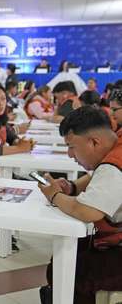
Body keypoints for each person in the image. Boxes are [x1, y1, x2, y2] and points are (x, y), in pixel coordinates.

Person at [38, 106, 122, 304]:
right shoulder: (116, 144)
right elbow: (99, 177)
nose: (69, 154)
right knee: (70, 255)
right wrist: (73, 187)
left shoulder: (114, 165)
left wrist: (55, 196)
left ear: (94, 142)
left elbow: (86, 211)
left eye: (72, 147)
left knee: (71, 269)